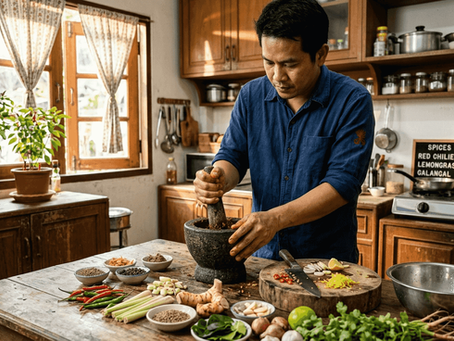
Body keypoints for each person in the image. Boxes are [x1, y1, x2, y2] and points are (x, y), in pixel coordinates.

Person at [193, 0, 375, 264]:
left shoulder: (352, 100)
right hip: (263, 257)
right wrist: (218, 178)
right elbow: (232, 155)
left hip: (327, 262)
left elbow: (343, 183)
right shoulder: (250, 95)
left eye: (290, 64)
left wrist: (275, 218)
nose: (277, 76)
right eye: (269, 62)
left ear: (321, 54)